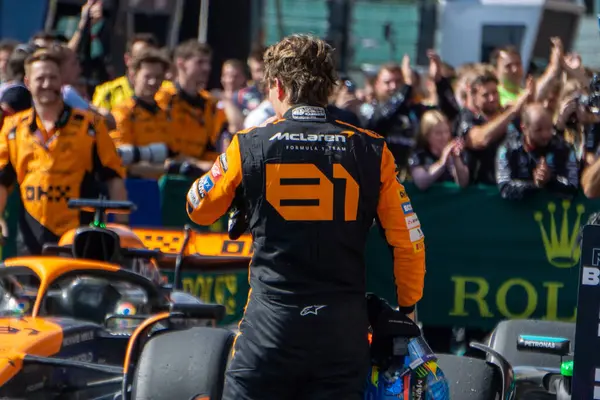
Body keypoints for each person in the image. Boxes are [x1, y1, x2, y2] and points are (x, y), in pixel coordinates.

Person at [185, 34, 426, 399]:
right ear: (328, 88)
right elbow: (409, 241)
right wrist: (407, 308)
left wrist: (237, 193)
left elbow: (198, 209)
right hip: (342, 329)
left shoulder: (249, 144)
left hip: (271, 324)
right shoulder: (371, 148)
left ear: (277, 86)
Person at [0, 49, 127, 255]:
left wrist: (122, 227)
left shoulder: (91, 126)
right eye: (40, 78)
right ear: (27, 82)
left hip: (78, 238)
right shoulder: (13, 128)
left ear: (62, 81)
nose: (47, 84)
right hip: (30, 236)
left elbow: (114, 177)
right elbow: (2, 180)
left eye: (53, 77)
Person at [496, 103, 579, 200]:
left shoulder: (564, 149)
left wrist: (550, 180)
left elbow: (573, 188)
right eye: (538, 130)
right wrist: (535, 185)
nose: (545, 135)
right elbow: (504, 188)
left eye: (549, 128)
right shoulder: (508, 149)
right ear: (524, 128)